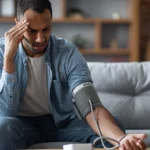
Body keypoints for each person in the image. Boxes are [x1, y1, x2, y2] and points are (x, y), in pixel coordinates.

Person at [0, 0, 147, 149]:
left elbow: (90, 106)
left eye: (46, 29)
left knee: (114, 130)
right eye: (32, 31)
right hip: (20, 125)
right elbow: (6, 112)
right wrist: (9, 60)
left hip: (61, 124)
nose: (40, 38)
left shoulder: (67, 53)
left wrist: (122, 139)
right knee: (3, 127)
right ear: (17, 23)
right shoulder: (1, 53)